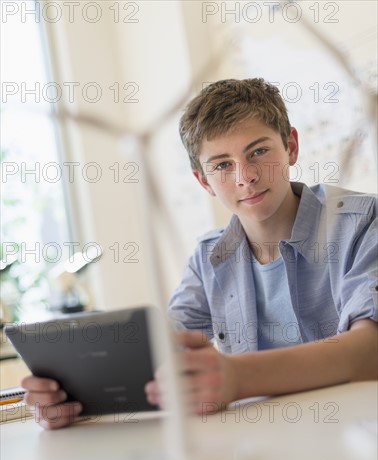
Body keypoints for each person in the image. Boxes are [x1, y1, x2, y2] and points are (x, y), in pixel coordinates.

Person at [22, 78, 378, 429]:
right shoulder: (211, 258)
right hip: (264, 444)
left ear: (291, 146)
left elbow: (369, 351)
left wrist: (236, 378)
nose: (246, 176)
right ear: (203, 181)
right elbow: (162, 355)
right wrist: (76, 396)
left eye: (259, 151)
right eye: (222, 165)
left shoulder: (362, 223)